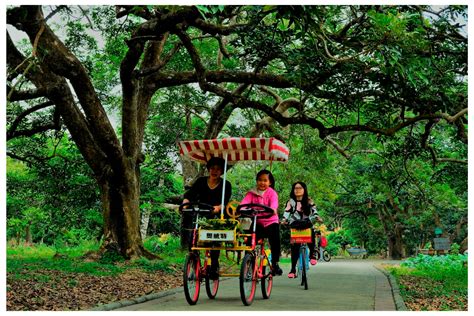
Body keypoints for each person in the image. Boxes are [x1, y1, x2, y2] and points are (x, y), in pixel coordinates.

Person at [181, 157, 232, 279]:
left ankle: (214, 265)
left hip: (216, 216)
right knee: (193, 237)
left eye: (218, 169)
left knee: (214, 240)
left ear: (222, 171)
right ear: (208, 169)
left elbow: (225, 202)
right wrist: (185, 203)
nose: (215, 171)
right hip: (201, 213)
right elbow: (189, 194)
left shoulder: (226, 185)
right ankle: (193, 264)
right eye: (212, 168)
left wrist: (218, 208)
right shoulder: (201, 181)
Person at [240, 169, 283, 276]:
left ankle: (275, 263)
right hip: (257, 222)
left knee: (275, 240)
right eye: (260, 180)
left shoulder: (272, 193)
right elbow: (244, 203)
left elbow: (274, 205)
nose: (262, 183)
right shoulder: (251, 193)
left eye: (265, 180)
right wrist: (242, 209)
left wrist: (273, 209)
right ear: (256, 181)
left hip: (270, 221)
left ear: (270, 182)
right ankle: (249, 262)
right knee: (249, 241)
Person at [282, 181, 322, 279]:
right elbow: (287, 212)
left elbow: (314, 211)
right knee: (294, 247)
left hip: (306, 224)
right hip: (295, 224)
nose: (298, 190)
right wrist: (284, 220)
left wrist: (317, 217)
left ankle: (313, 254)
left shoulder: (309, 200)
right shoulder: (290, 201)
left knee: (310, 230)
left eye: (300, 188)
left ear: (304, 189)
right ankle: (293, 269)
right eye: (296, 188)